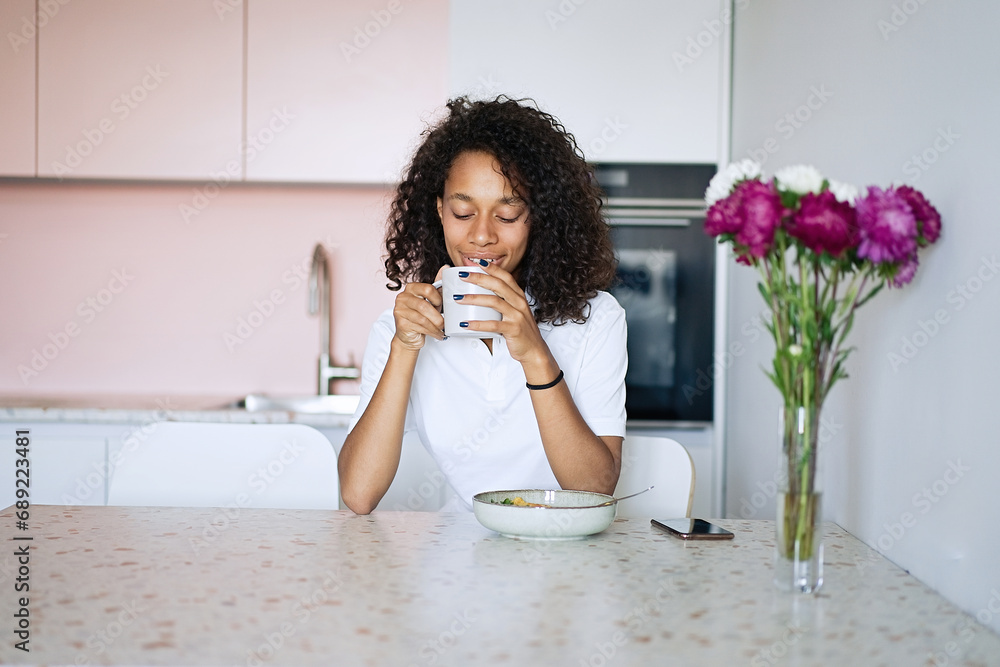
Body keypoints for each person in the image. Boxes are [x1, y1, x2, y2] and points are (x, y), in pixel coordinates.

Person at [339, 96, 627, 514]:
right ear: (440, 211)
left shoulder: (597, 318)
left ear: (538, 218)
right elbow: (358, 494)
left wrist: (534, 353)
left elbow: (594, 489)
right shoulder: (399, 328)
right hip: (456, 556)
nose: (481, 236)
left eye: (507, 216)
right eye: (462, 211)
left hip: (566, 560)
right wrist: (404, 347)